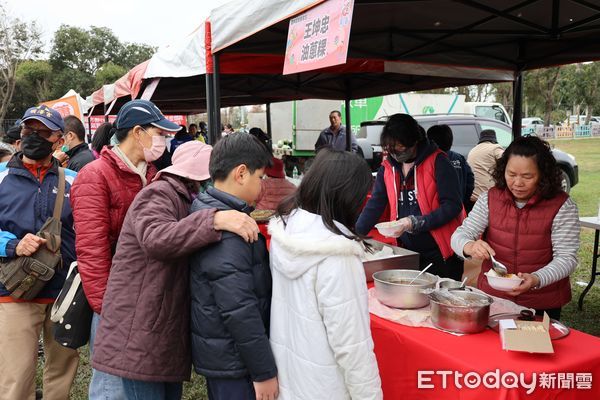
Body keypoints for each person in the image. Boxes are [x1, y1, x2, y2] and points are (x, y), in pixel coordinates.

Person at [91, 141, 261, 400]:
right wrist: (213, 220)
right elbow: (156, 238)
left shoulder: (186, 199)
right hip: (141, 334)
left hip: (161, 335)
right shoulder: (158, 194)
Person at [71, 99, 182, 400]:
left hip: (143, 298)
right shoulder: (95, 176)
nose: (164, 141)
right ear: (137, 132)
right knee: (112, 386)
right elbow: (92, 252)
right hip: (115, 301)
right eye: (160, 133)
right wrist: (108, 308)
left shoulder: (153, 174)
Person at [268, 149, 383, 400]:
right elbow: (352, 347)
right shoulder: (338, 255)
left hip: (290, 376)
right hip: (325, 386)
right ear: (348, 196)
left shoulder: (285, 230)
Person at [189, 133, 278, 400]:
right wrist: (263, 372)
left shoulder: (212, 209)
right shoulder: (229, 231)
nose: (262, 186)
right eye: (260, 178)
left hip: (226, 353)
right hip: (233, 361)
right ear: (241, 174)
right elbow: (239, 310)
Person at [451, 136, 580, 320]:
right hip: (494, 297)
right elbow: (460, 234)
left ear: (543, 175)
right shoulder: (490, 198)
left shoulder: (561, 206)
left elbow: (567, 258)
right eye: (511, 174)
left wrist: (536, 279)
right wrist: (468, 246)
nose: (517, 183)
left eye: (527, 176)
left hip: (542, 302)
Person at [0, 105, 79, 400]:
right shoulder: (1, 177)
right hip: (14, 291)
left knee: (62, 370)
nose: (33, 136)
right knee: (15, 376)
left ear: (58, 139)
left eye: (43, 132)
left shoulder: (73, 180)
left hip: (64, 292)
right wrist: (12, 244)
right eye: (28, 130)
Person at [356, 114, 465, 280]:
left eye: (400, 148)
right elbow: (375, 204)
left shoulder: (439, 162)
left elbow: (452, 206)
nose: (395, 154)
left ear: (415, 140)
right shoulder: (387, 169)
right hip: (408, 252)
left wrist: (414, 222)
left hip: (441, 252)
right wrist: (355, 235)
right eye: (390, 149)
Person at [427, 124, 475, 210]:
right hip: (459, 208)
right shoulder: (459, 158)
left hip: (436, 212)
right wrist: (464, 200)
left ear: (430, 141)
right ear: (450, 141)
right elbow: (470, 181)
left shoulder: (428, 161)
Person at [249, 127, 296, 210]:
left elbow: (252, 201)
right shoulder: (292, 187)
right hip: (285, 218)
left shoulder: (262, 185)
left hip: (264, 218)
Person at [467, 129, 504, 206]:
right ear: (494, 140)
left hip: (471, 197)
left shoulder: (472, 150)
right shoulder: (495, 148)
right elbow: (508, 161)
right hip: (487, 198)